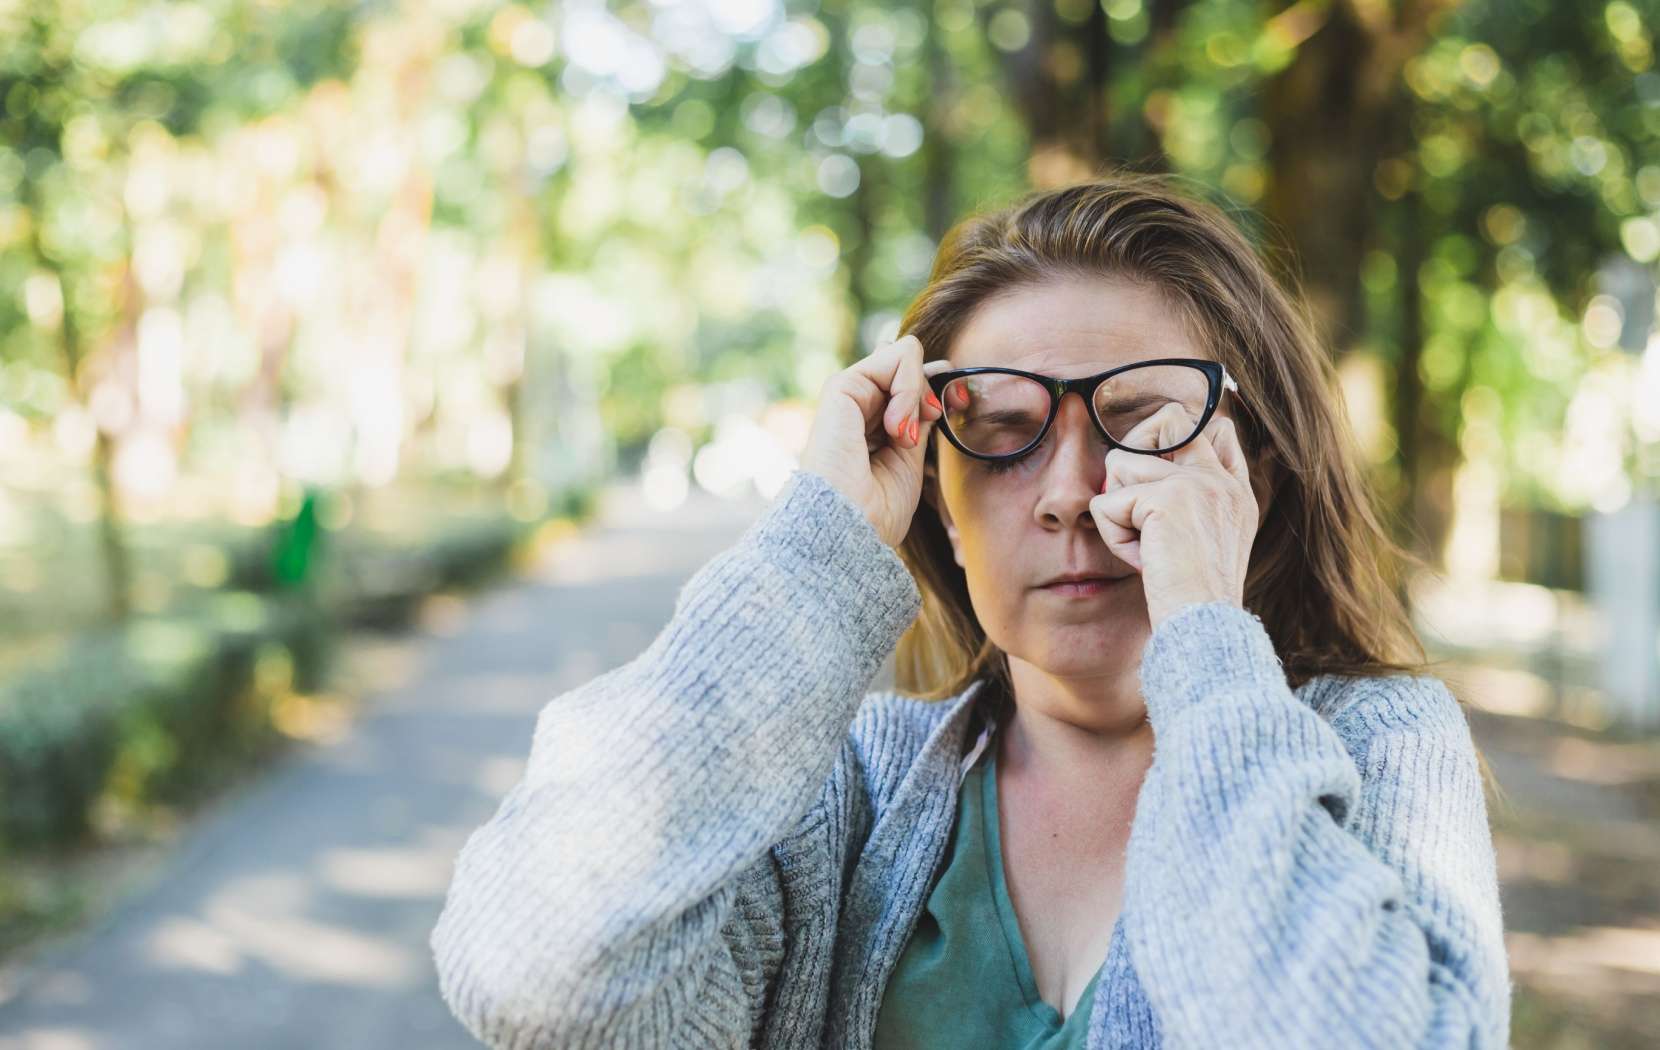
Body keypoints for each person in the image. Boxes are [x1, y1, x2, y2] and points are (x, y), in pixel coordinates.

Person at [429, 171, 1513, 1049]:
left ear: (1252, 482)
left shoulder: (1380, 750)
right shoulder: (844, 791)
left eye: (1139, 422)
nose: (1068, 492)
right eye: (1000, 435)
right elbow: (536, 973)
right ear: (939, 511)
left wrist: (1206, 647)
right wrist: (816, 546)